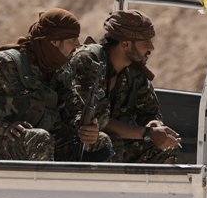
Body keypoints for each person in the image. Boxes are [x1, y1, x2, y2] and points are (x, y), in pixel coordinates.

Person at [0, 8, 103, 161]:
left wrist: (86, 128)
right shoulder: (6, 64)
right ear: (54, 42)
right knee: (39, 139)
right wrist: (4, 126)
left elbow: (71, 110)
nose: (78, 44)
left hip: (40, 138)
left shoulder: (59, 68)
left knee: (100, 142)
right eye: (72, 39)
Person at [67, 10, 181, 163]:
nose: (151, 48)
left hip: (115, 141)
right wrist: (147, 133)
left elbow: (150, 112)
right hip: (78, 139)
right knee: (107, 142)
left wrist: (155, 125)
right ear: (125, 44)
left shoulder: (135, 72)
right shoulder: (88, 61)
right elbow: (99, 119)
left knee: (164, 147)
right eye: (145, 42)